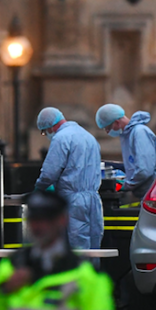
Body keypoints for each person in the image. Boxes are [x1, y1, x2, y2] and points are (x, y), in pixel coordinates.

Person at [33, 107, 104, 250]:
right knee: (94, 246)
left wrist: (38, 189)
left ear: (50, 126)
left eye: (44, 131)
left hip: (73, 201)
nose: (45, 134)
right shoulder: (89, 137)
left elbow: (49, 173)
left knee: (75, 246)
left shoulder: (61, 138)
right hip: (94, 199)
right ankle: (92, 272)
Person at [95, 104, 156, 200]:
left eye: (108, 128)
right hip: (146, 194)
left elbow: (144, 170)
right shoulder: (128, 136)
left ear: (117, 123)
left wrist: (127, 185)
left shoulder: (139, 133)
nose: (107, 132)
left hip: (154, 194)